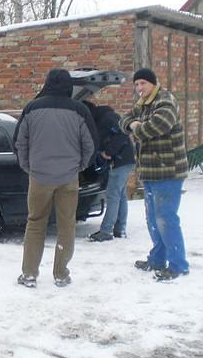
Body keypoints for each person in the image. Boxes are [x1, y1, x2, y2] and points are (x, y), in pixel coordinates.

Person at [14, 69, 97, 288]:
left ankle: (29, 273)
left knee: (35, 223)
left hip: (39, 177)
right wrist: (79, 166)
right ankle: (61, 274)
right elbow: (91, 145)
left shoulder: (32, 107)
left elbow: (20, 142)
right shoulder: (79, 110)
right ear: (69, 85)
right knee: (67, 225)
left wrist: (28, 166)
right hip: (68, 178)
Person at [119, 68, 189, 281]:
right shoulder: (143, 104)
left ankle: (178, 264)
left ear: (153, 83)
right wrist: (133, 123)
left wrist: (136, 127)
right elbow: (123, 120)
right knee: (152, 218)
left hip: (168, 170)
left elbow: (154, 128)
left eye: (143, 83)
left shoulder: (165, 101)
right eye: (137, 84)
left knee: (165, 218)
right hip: (149, 171)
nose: (140, 88)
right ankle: (157, 258)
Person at [84, 101, 136, 242]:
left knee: (113, 194)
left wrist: (108, 152)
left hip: (120, 160)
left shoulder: (107, 118)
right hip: (123, 160)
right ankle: (120, 229)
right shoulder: (100, 118)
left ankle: (106, 231)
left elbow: (122, 134)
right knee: (120, 194)